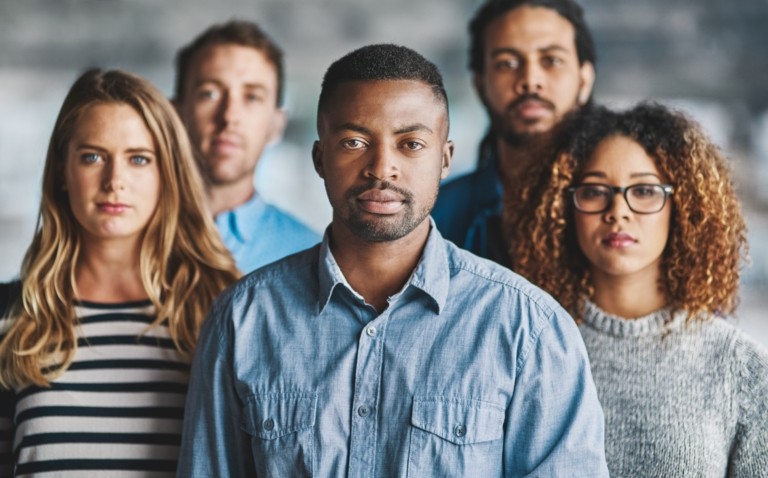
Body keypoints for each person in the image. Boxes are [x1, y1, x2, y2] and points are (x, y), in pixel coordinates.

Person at [177, 43, 608, 477]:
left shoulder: (528, 330)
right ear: (319, 158)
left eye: (411, 143)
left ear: (445, 159)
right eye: (354, 142)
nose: (382, 168)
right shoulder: (242, 319)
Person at [0, 69, 240, 477]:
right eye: (92, 157)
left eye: (138, 159)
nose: (115, 182)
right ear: (62, 171)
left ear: (168, 173)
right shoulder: (12, 315)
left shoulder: (224, 309)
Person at [508, 103, 768, 476]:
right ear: (563, 207)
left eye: (644, 190)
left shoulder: (742, 367)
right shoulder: (529, 349)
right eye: (595, 191)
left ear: (683, 206)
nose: (618, 211)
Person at [432, 0, 596, 264]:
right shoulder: (432, 218)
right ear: (480, 83)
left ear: (584, 80)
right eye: (507, 63)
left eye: (552, 60)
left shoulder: (630, 208)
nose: (531, 80)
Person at [174, 20, 320, 272]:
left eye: (252, 97)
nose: (230, 116)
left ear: (276, 125)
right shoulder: (118, 238)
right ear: (175, 114)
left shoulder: (314, 261)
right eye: (210, 93)